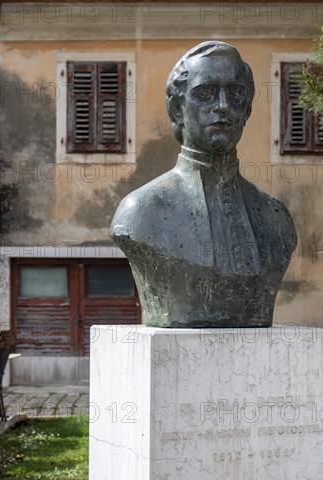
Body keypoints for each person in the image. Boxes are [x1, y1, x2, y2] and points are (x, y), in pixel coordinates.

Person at [110, 41, 297, 328]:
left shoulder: (275, 218)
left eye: (235, 94)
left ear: (246, 110)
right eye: (205, 94)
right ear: (176, 109)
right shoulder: (140, 213)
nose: (222, 107)